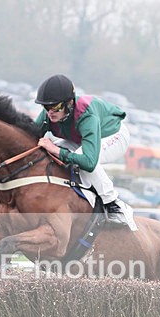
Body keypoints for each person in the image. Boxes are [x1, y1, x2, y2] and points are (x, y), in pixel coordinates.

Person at [34, 74, 130, 225]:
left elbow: (89, 162)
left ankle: (113, 205)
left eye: (56, 107)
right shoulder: (49, 114)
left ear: (70, 103)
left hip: (113, 136)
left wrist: (56, 150)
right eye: (46, 107)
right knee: (49, 150)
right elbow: (29, 137)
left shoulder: (86, 115)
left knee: (79, 157)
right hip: (80, 138)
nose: (50, 112)